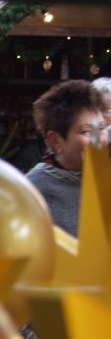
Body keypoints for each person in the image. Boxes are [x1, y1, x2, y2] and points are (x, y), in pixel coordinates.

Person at [26, 79, 107, 237]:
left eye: (101, 128)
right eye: (86, 132)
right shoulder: (34, 189)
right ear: (55, 141)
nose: (99, 140)